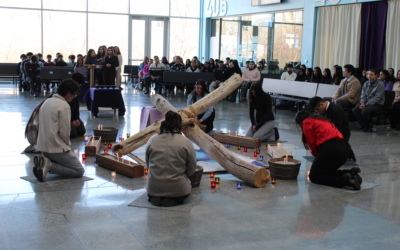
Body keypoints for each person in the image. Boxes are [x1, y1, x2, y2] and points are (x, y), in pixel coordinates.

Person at [34, 79, 85, 182]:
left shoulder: (47, 101)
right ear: (67, 93)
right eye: (73, 95)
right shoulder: (64, 105)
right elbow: (65, 131)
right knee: (79, 170)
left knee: (69, 164)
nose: (73, 97)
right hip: (55, 148)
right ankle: (48, 166)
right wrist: (67, 146)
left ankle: (45, 162)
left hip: (43, 147)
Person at [295, 111, 361, 190]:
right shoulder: (321, 119)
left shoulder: (306, 122)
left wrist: (318, 158)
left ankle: (345, 181)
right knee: (325, 172)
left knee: (314, 176)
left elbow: (312, 143)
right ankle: (350, 173)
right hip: (344, 149)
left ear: (300, 122)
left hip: (330, 149)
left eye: (299, 125)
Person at [145, 111, 197, 207]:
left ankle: (158, 196)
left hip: (153, 188)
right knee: (187, 184)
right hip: (178, 187)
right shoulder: (185, 142)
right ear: (180, 125)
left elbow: (148, 164)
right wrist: (183, 175)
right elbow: (192, 167)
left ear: (163, 123)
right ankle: (174, 196)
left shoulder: (152, 140)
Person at [69, 73, 86, 138]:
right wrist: (71, 120)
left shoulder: (77, 91)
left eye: (79, 84)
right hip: (66, 117)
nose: (78, 86)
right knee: (73, 134)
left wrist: (76, 119)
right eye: (77, 83)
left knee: (82, 131)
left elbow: (76, 107)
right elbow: (66, 109)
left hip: (73, 116)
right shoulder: (68, 92)